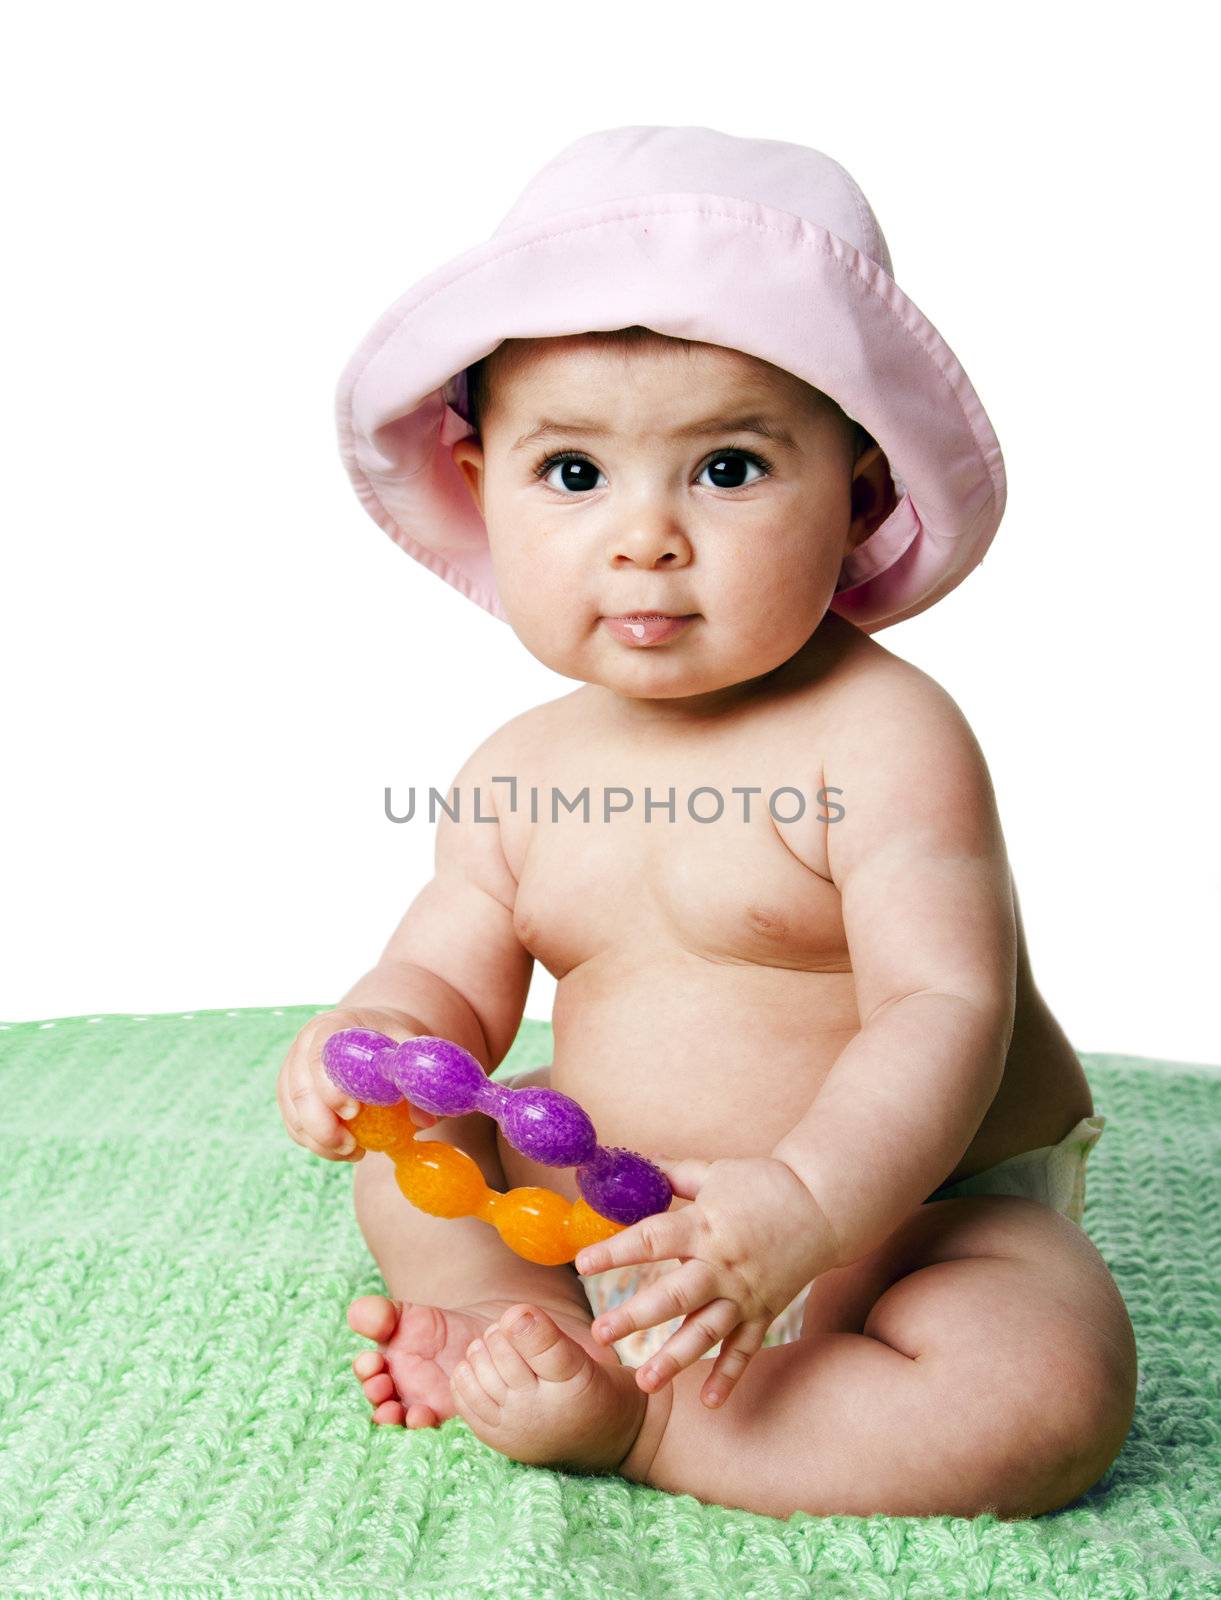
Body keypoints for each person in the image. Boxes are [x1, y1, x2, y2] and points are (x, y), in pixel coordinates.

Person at [275, 125, 1136, 1519]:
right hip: (619, 1217)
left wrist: (803, 1208)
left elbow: (941, 1008)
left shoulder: (883, 737)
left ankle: (659, 1435)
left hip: (913, 1220)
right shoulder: (517, 770)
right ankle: (503, 1323)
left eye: (727, 469)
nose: (646, 537)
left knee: (1037, 1397)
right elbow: (445, 975)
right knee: (408, 1167)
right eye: (572, 474)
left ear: (857, 494)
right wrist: (373, 1041)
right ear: (480, 481)